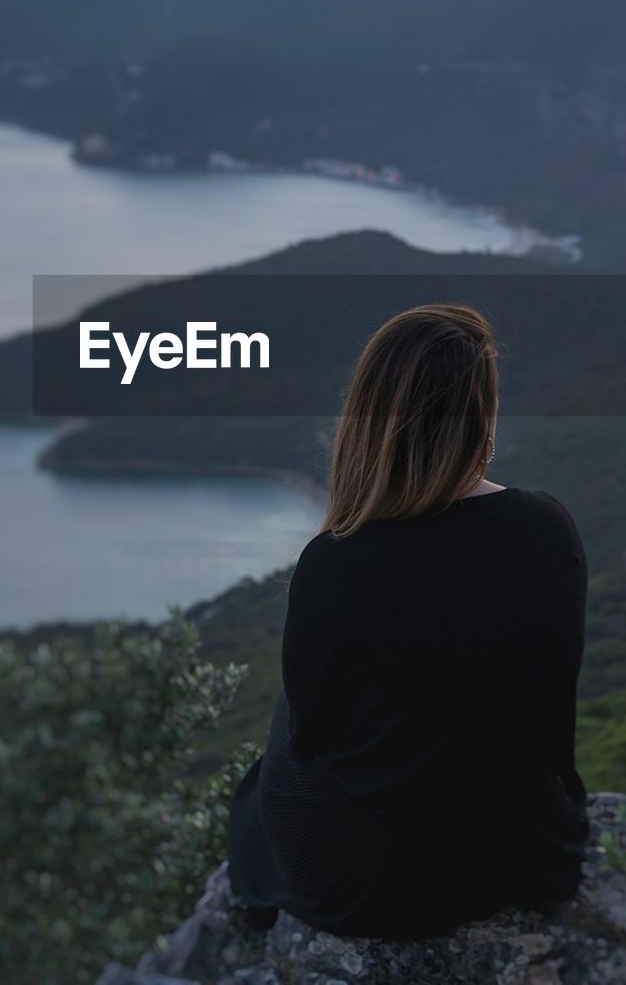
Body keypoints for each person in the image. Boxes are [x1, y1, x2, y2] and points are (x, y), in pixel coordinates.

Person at [227, 303, 588, 938]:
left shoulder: (336, 563)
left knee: (285, 730)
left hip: (375, 891)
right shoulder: (548, 528)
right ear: (483, 413)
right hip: (519, 859)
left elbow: (317, 734)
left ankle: (253, 906)